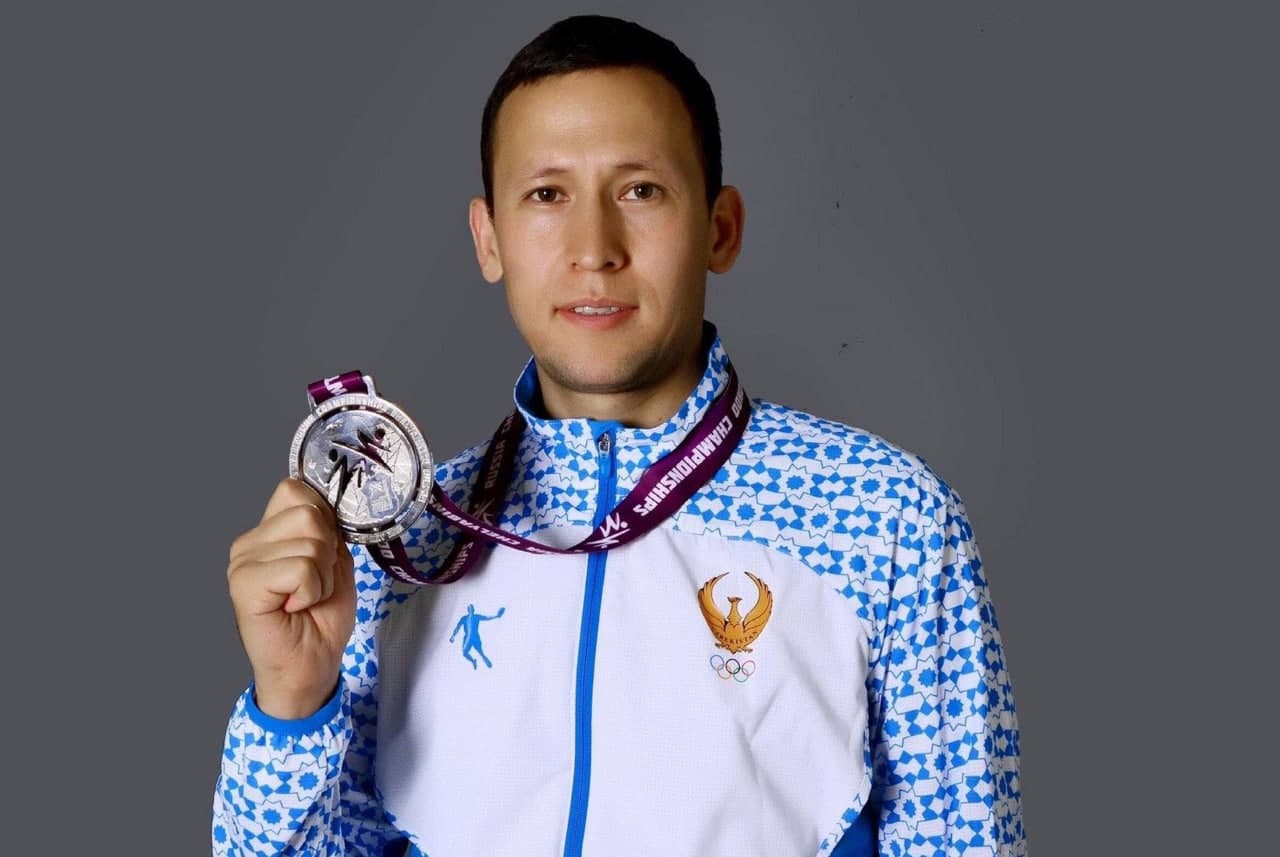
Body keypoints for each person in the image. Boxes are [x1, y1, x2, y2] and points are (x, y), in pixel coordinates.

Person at [214, 14, 1024, 857]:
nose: (594, 250)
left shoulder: (886, 519)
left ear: (720, 228)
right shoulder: (404, 545)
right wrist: (291, 698)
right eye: (547, 195)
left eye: (640, 191)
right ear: (489, 240)